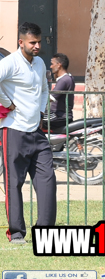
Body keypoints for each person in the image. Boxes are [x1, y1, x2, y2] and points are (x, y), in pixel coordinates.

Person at [0, 22, 55, 245]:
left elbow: (44, 89)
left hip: (36, 132)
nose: (37, 46)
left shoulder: (40, 63)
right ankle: (16, 233)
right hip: (14, 130)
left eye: (39, 42)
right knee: (13, 183)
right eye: (32, 42)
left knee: (47, 180)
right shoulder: (9, 62)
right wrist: (7, 103)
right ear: (20, 42)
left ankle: (46, 234)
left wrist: (41, 111)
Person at [47, 53, 74, 133]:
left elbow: (50, 98)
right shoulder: (67, 78)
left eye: (52, 64)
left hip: (59, 117)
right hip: (59, 116)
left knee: (37, 122)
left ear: (59, 65)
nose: (51, 66)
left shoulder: (64, 80)